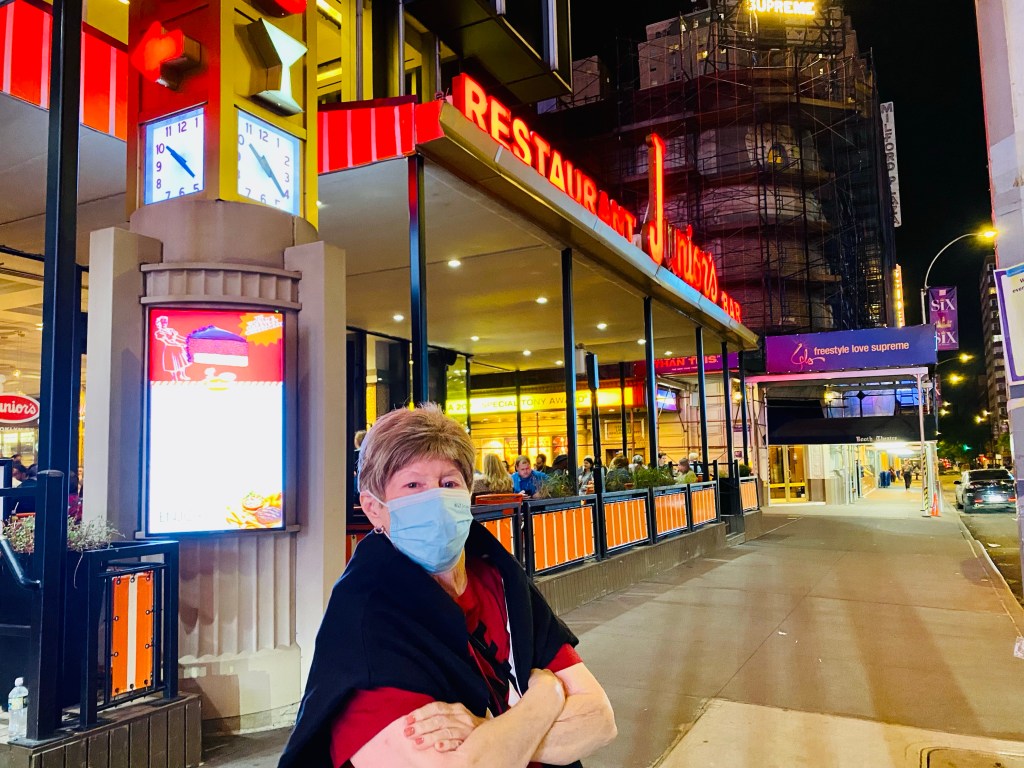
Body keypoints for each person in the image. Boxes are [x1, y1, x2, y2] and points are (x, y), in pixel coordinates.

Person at [278, 404, 616, 768]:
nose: (435, 498)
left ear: (467, 493)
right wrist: (544, 699)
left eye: (449, 483)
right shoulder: (365, 622)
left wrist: (490, 734)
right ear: (374, 508)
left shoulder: (499, 577)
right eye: (413, 485)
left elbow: (599, 720)